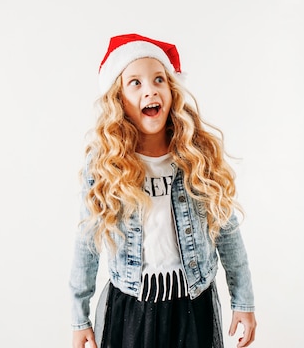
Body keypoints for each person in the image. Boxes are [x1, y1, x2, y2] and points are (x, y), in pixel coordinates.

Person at [69, 34, 256, 348]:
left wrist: (244, 301)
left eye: (159, 79)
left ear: (172, 92)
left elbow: (226, 229)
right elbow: (87, 241)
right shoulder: (105, 165)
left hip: (192, 305)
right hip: (132, 309)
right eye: (136, 83)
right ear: (118, 99)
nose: (150, 89)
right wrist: (79, 318)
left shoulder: (197, 155)